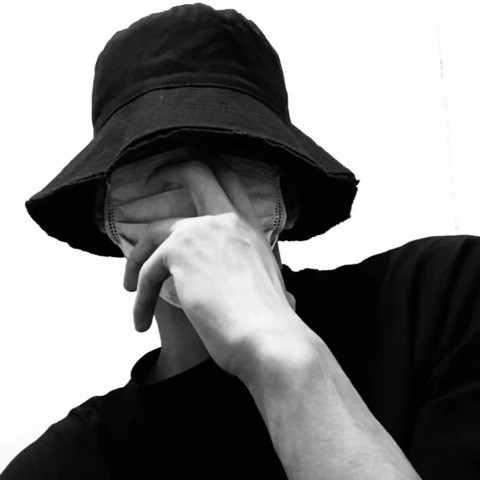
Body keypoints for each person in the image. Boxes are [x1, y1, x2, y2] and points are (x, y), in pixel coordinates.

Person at [2, 4, 479, 479]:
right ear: (103, 211)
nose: (199, 191)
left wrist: (279, 350)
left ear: (287, 194)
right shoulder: (61, 468)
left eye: (232, 153)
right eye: (156, 166)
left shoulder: (442, 301)